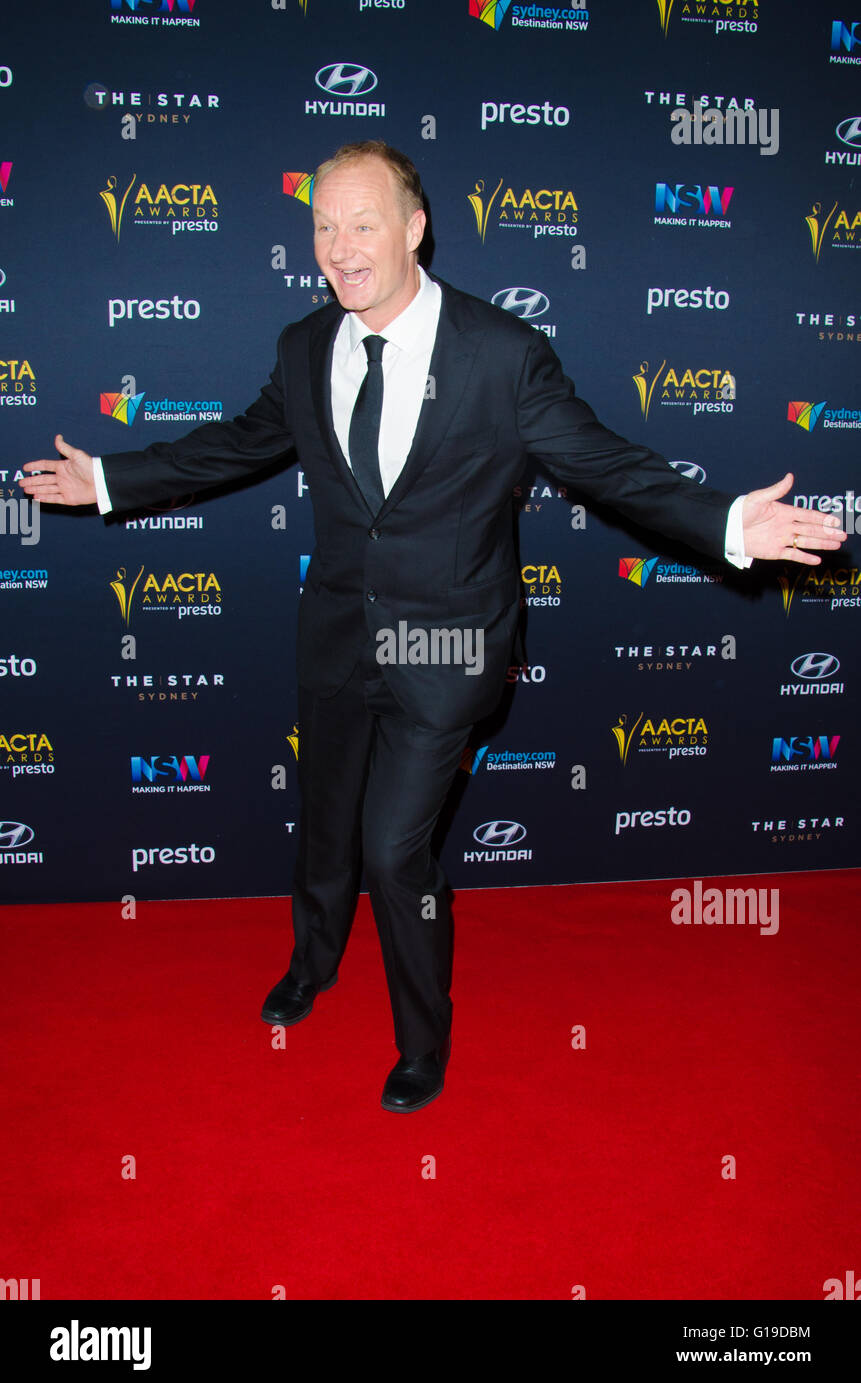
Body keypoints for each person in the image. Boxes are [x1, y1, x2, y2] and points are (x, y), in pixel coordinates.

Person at [19, 141, 846, 1113]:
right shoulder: (303, 346)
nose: (339, 247)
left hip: (446, 649)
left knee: (391, 851)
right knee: (323, 831)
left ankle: (423, 1038)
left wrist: (727, 523)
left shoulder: (500, 354)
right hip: (335, 634)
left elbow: (604, 465)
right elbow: (236, 444)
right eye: (323, 226)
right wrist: (109, 478)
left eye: (361, 223)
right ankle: (313, 963)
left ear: (415, 229)